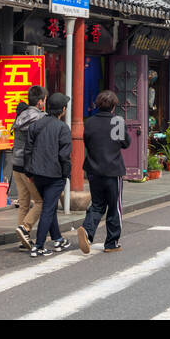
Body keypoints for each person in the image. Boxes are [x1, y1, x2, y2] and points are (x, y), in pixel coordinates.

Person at [76, 90, 130, 254]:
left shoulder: (90, 122)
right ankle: (112, 242)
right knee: (114, 207)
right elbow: (126, 143)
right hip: (113, 170)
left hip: (94, 170)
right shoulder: (117, 122)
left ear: (98, 105)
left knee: (98, 205)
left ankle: (87, 231)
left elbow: (87, 142)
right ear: (114, 106)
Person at [24, 92, 73, 257]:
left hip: (37, 174)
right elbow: (64, 156)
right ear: (63, 109)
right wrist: (66, 175)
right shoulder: (63, 128)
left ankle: (58, 239)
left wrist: (29, 171)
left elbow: (28, 151)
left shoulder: (36, 125)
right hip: (54, 174)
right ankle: (38, 245)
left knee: (49, 206)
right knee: (48, 208)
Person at [10, 85, 47, 249]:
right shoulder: (41, 119)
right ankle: (25, 228)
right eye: (44, 100)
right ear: (40, 102)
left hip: (16, 164)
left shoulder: (20, 116)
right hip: (28, 167)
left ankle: (22, 240)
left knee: (24, 203)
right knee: (40, 202)